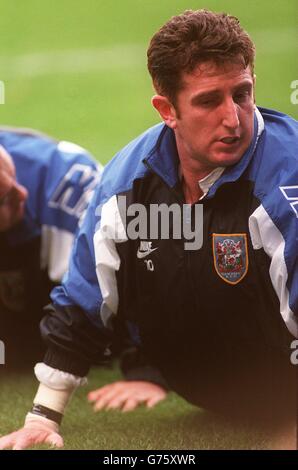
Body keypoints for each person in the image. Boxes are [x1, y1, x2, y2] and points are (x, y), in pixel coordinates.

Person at [0, 9, 297, 450]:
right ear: (167, 110)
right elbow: (83, 303)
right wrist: (43, 416)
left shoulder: (285, 180)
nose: (234, 119)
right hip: (207, 395)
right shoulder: (126, 182)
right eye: (208, 100)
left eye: (242, 93)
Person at [0, 127, 102, 368]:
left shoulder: (66, 178)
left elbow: (137, 281)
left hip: (73, 307)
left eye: (13, 176)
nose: (21, 193)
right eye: (3, 198)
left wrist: (144, 370)